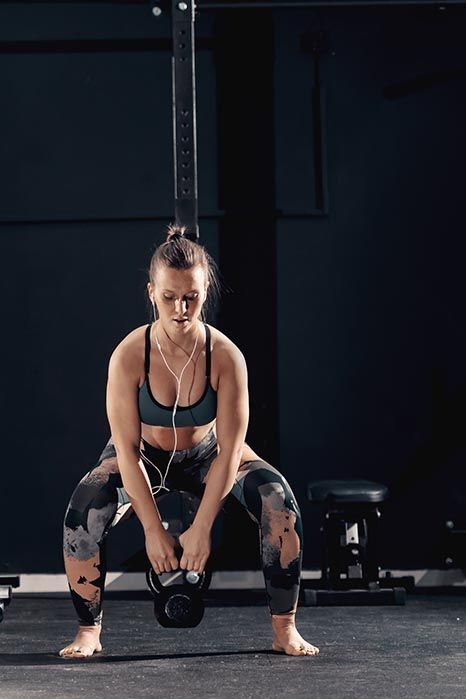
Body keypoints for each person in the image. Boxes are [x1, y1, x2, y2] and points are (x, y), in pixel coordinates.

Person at [58, 224, 319, 658]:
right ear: (151, 292)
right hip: (144, 456)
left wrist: (201, 529)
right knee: (82, 509)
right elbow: (125, 450)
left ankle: (284, 628)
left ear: (206, 289)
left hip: (209, 454)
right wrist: (153, 529)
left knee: (279, 500)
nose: (181, 308)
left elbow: (232, 450)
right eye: (169, 297)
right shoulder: (128, 355)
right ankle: (88, 631)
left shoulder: (226, 357)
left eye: (192, 297)